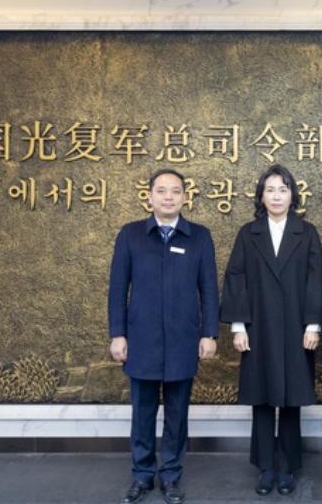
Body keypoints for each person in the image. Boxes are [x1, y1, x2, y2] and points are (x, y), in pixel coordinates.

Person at [108, 168, 219, 504]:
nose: (168, 197)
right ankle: (141, 476)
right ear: (150, 196)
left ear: (185, 196)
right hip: (141, 340)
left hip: (183, 341)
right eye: (161, 191)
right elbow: (118, 289)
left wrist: (209, 333)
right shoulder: (131, 235)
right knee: (142, 413)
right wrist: (118, 334)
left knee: (177, 414)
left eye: (175, 191)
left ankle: (171, 476)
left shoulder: (199, 237)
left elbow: (209, 290)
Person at [220, 164, 322, 496]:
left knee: (291, 400)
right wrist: (239, 327)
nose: (277, 196)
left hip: (296, 328)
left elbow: (316, 279)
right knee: (262, 400)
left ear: (293, 195)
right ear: (261, 196)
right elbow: (236, 278)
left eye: (283, 189)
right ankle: (266, 467)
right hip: (259, 328)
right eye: (270, 190)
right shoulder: (248, 233)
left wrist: (313, 325)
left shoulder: (306, 232)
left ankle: (288, 467)